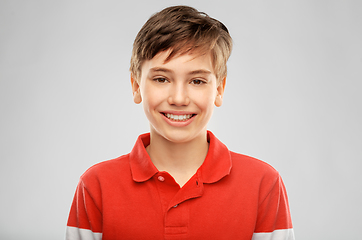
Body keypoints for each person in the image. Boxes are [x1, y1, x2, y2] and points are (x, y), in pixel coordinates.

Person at [66, 5, 294, 240]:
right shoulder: (96, 186)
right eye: (161, 79)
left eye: (196, 81)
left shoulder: (263, 185)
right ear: (136, 86)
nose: (178, 99)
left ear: (219, 89)